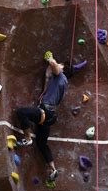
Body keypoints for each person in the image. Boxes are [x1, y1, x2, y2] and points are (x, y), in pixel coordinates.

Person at [15, 51, 72, 181]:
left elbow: (53, 66)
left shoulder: (60, 76)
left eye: (61, 65)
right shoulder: (63, 83)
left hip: (45, 111)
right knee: (41, 143)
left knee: (21, 112)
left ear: (63, 68)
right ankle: (53, 169)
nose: (58, 65)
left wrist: (51, 58)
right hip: (50, 116)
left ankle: (28, 138)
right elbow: (48, 74)